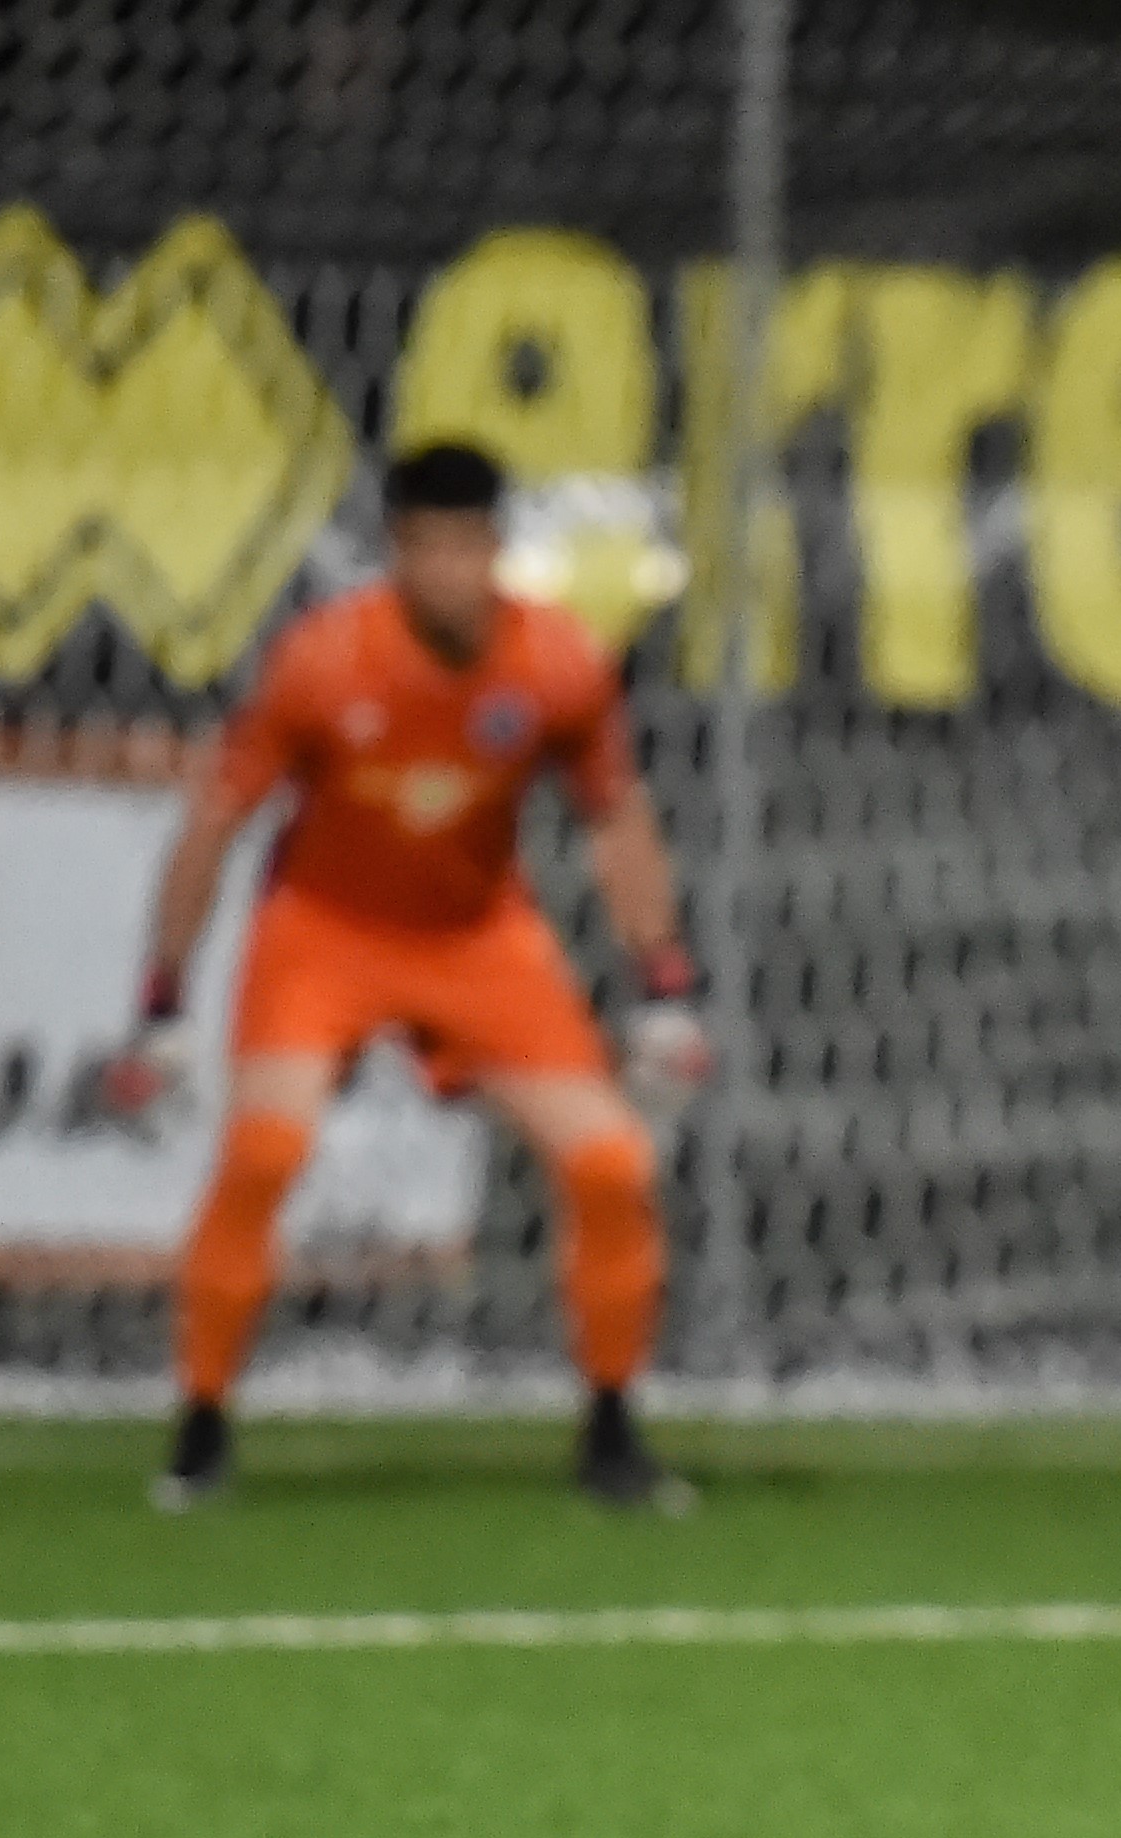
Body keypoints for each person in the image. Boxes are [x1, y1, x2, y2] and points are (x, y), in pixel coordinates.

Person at [111, 442, 709, 1510]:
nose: (451, 572)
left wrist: (662, 982)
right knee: (264, 1148)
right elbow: (216, 820)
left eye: (470, 547)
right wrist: (163, 997)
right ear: (396, 552)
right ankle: (201, 1421)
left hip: (479, 938)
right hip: (324, 934)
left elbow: (614, 817)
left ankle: (612, 1425)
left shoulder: (555, 661)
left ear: (498, 549)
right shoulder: (322, 661)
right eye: (429, 548)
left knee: (612, 1162)